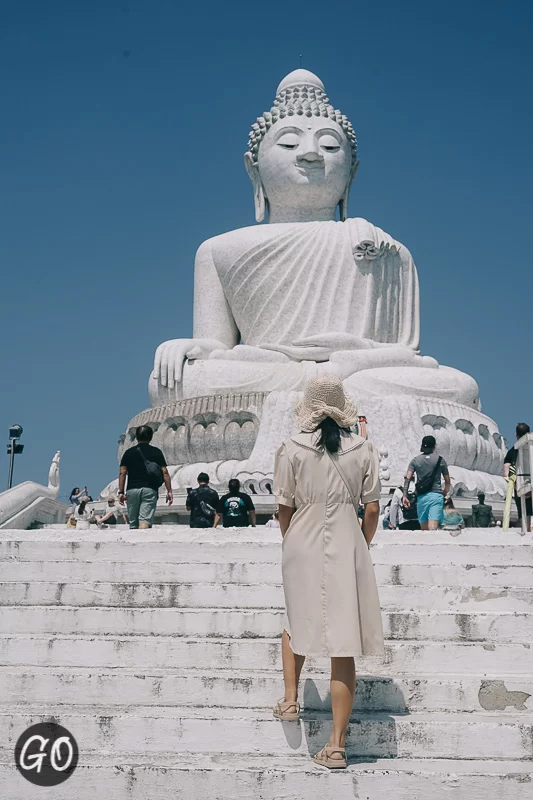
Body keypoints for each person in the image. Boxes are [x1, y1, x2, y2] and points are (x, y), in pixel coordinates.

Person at [273, 375, 383, 770]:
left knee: (293, 621)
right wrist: (361, 543)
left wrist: (292, 541)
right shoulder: (363, 448)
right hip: (347, 539)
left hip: (300, 538)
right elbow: (371, 509)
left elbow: (284, 506)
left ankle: (289, 701)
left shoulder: (290, 448)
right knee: (343, 642)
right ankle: (336, 745)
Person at [118, 425, 173, 529]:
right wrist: (169, 490)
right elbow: (165, 472)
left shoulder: (129, 452)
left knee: (133, 523)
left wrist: (121, 492)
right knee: (144, 520)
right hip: (149, 489)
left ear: (137, 437)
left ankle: (135, 543)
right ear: (151, 436)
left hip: (132, 489)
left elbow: (122, 473)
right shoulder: (156, 452)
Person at [403, 435, 451, 531]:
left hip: (421, 498)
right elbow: (447, 480)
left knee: (424, 530)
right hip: (436, 496)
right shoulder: (440, 460)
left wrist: (405, 496)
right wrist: (445, 491)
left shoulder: (415, 461)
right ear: (434, 446)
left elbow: (407, 478)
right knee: (432, 529)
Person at [504, 423, 532, 531]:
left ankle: (526, 530)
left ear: (516, 435)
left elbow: (506, 473)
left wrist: (513, 484)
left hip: (520, 482)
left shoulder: (512, 451)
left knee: (525, 511)